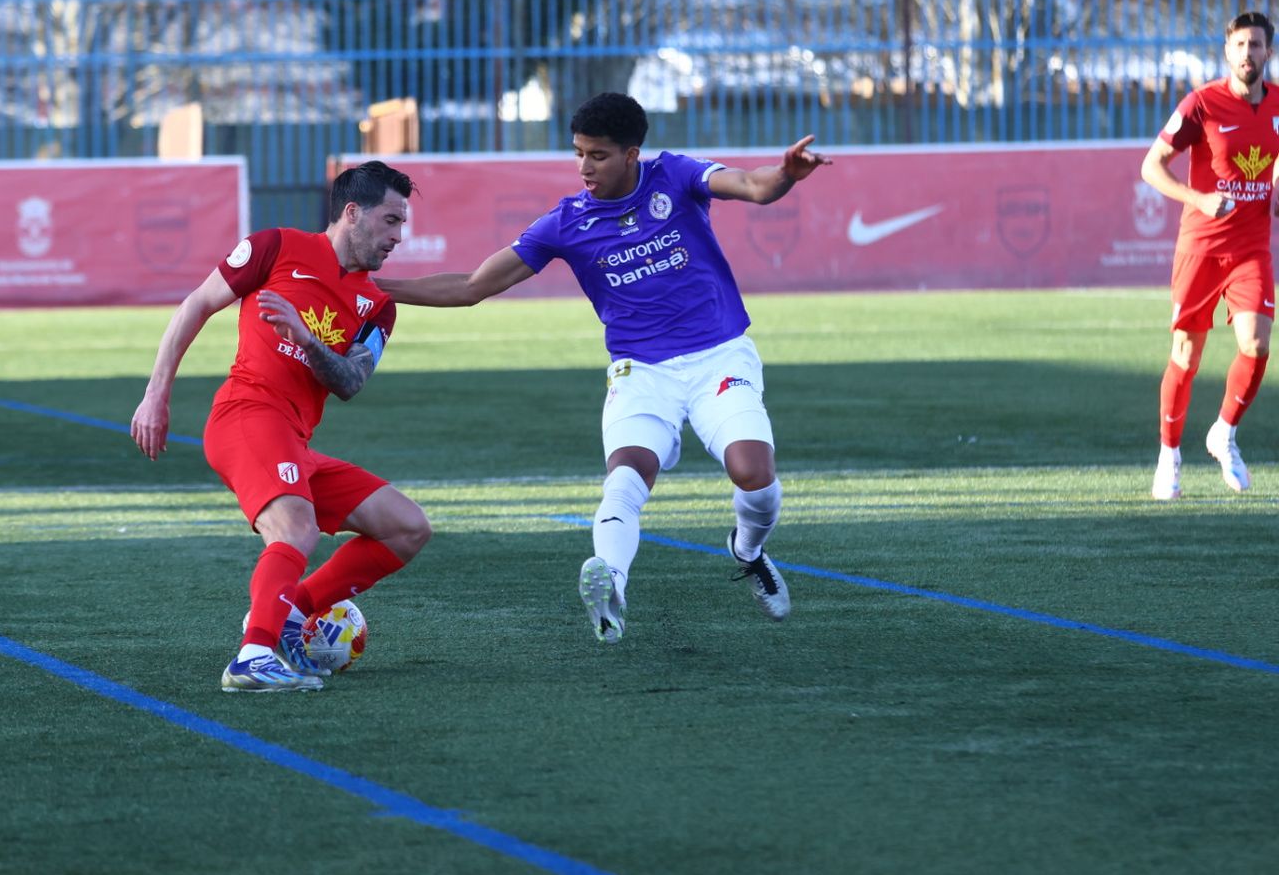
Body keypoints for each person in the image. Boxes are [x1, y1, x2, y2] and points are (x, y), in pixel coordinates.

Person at [377, 91, 830, 644]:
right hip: (640, 372)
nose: (585, 167)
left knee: (752, 474)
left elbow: (754, 186)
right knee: (626, 476)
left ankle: (749, 549)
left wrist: (786, 174)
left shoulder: (676, 176)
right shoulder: (566, 223)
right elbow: (472, 286)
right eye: (578, 154)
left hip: (718, 356)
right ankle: (610, 588)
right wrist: (370, 287)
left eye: (598, 155)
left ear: (632, 153)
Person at [130, 160, 433, 692]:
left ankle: (287, 615)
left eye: (402, 224)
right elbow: (197, 305)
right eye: (391, 221)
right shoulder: (274, 247)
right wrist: (156, 395)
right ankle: (253, 657)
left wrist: (310, 340)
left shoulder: (378, 306)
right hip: (246, 415)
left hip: (295, 439)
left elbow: (350, 382)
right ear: (353, 213)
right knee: (296, 527)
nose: (398, 238)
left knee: (407, 527)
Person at [1141, 10, 1279, 501]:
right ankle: (1169, 456)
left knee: (1257, 346)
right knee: (1186, 356)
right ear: (1227, 51)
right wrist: (1198, 199)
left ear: (1268, 52)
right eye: (1240, 45)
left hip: (1250, 248)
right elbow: (1151, 166)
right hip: (1201, 247)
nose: (1248, 53)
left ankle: (1223, 432)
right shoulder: (1202, 104)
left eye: (1256, 45)